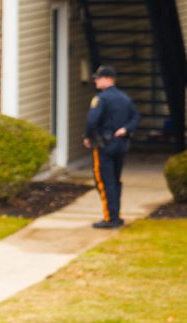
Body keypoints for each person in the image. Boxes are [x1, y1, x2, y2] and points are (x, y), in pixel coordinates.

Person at [84, 65, 140, 229]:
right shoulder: (124, 98)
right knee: (115, 180)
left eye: (98, 78)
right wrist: (126, 129)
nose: (95, 81)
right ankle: (116, 214)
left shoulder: (101, 99)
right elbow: (136, 116)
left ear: (108, 79)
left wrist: (88, 136)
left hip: (105, 145)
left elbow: (91, 121)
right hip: (121, 144)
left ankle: (111, 218)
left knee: (103, 180)